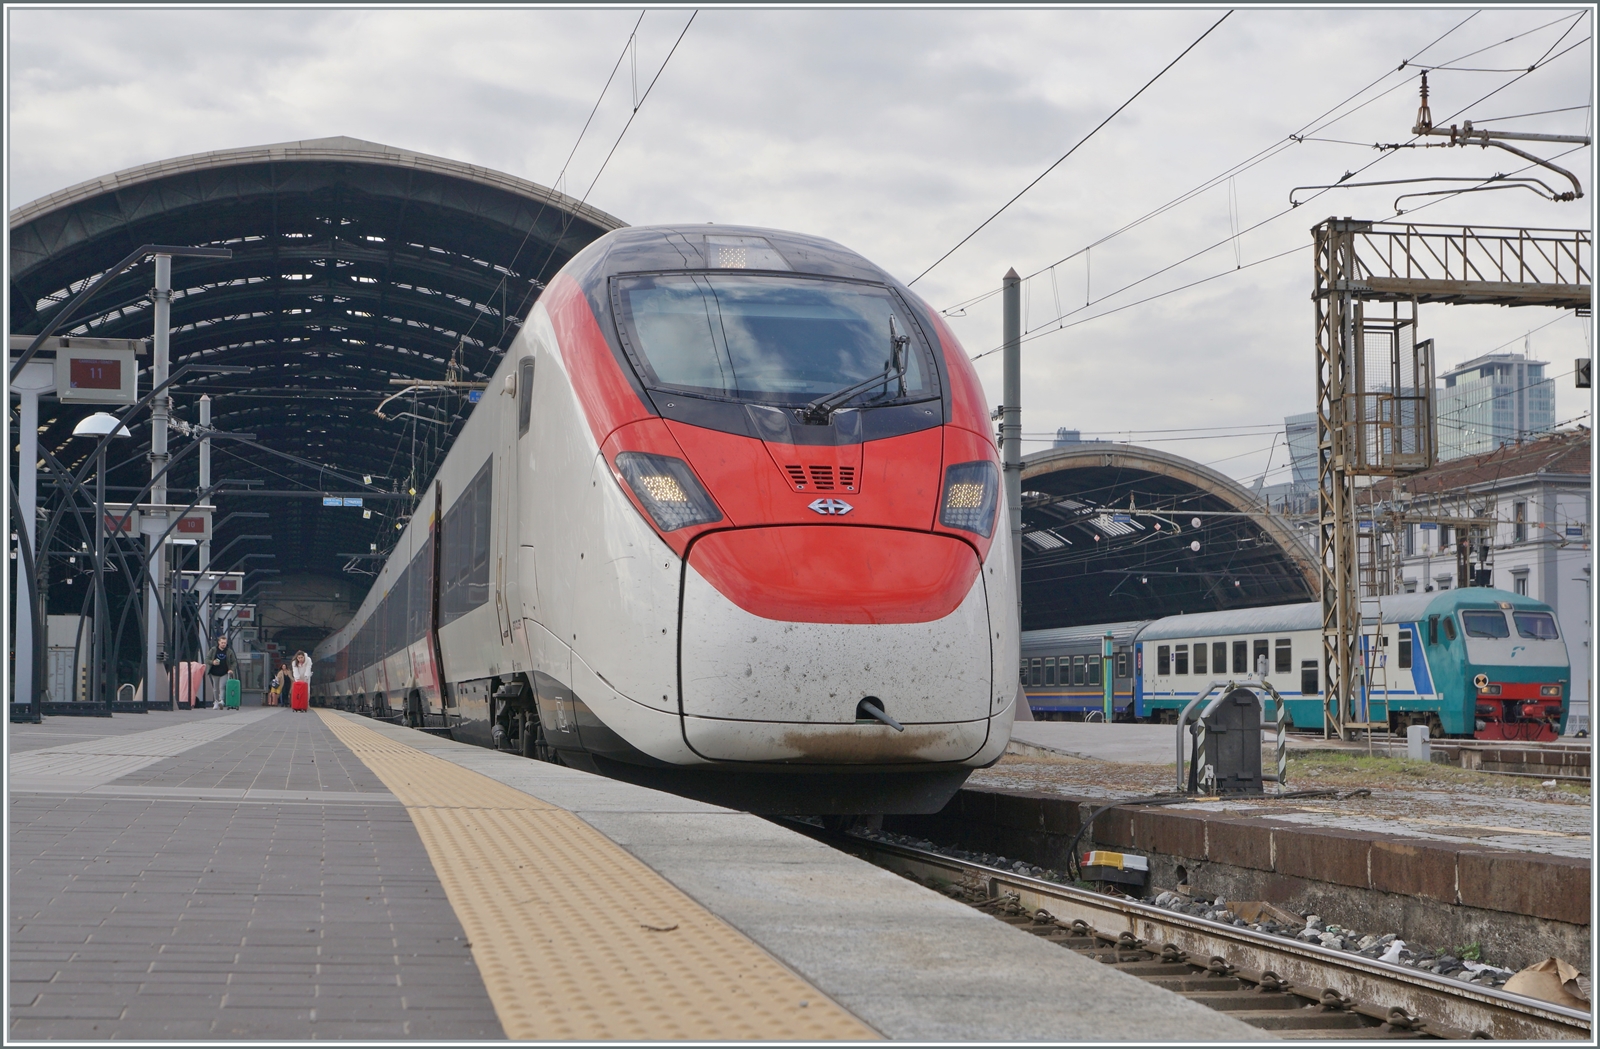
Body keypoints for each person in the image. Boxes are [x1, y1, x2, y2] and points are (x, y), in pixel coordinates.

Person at [205, 634, 236, 708]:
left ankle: (221, 701)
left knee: (222, 686)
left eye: (225, 643)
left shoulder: (229, 651)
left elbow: (234, 662)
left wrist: (231, 669)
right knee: (215, 688)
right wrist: (213, 662)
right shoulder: (213, 650)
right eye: (222, 643)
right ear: (219, 642)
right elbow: (206, 659)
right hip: (214, 672)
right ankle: (216, 701)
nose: (223, 644)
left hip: (224, 672)